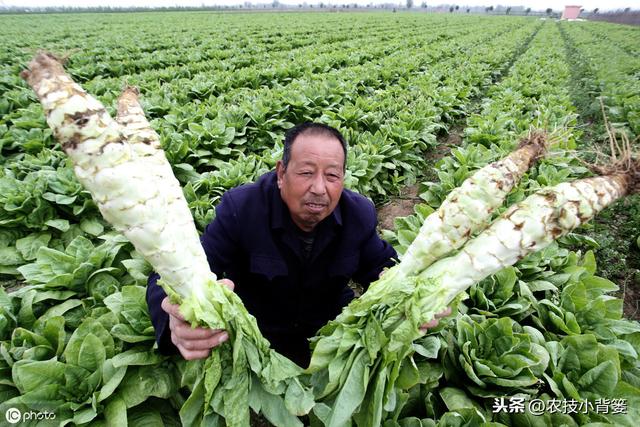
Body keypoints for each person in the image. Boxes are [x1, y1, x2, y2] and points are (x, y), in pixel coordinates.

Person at [146, 122, 449, 367]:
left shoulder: (358, 214)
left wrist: (415, 293)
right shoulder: (242, 209)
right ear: (281, 173)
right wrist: (174, 319)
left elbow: (382, 267)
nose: (319, 188)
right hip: (259, 338)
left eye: (332, 175)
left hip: (328, 335)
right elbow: (179, 270)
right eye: (306, 173)